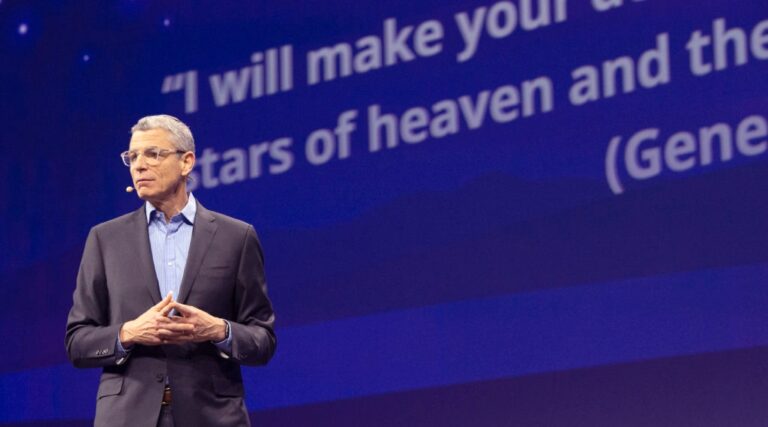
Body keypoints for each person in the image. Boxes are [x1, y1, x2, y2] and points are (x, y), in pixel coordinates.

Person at [65, 114, 276, 427]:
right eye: (132, 156)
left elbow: (263, 339)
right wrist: (130, 332)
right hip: (127, 417)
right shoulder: (105, 239)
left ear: (186, 162)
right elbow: (77, 341)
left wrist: (218, 330)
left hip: (212, 416)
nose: (139, 165)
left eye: (153, 154)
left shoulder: (236, 237)